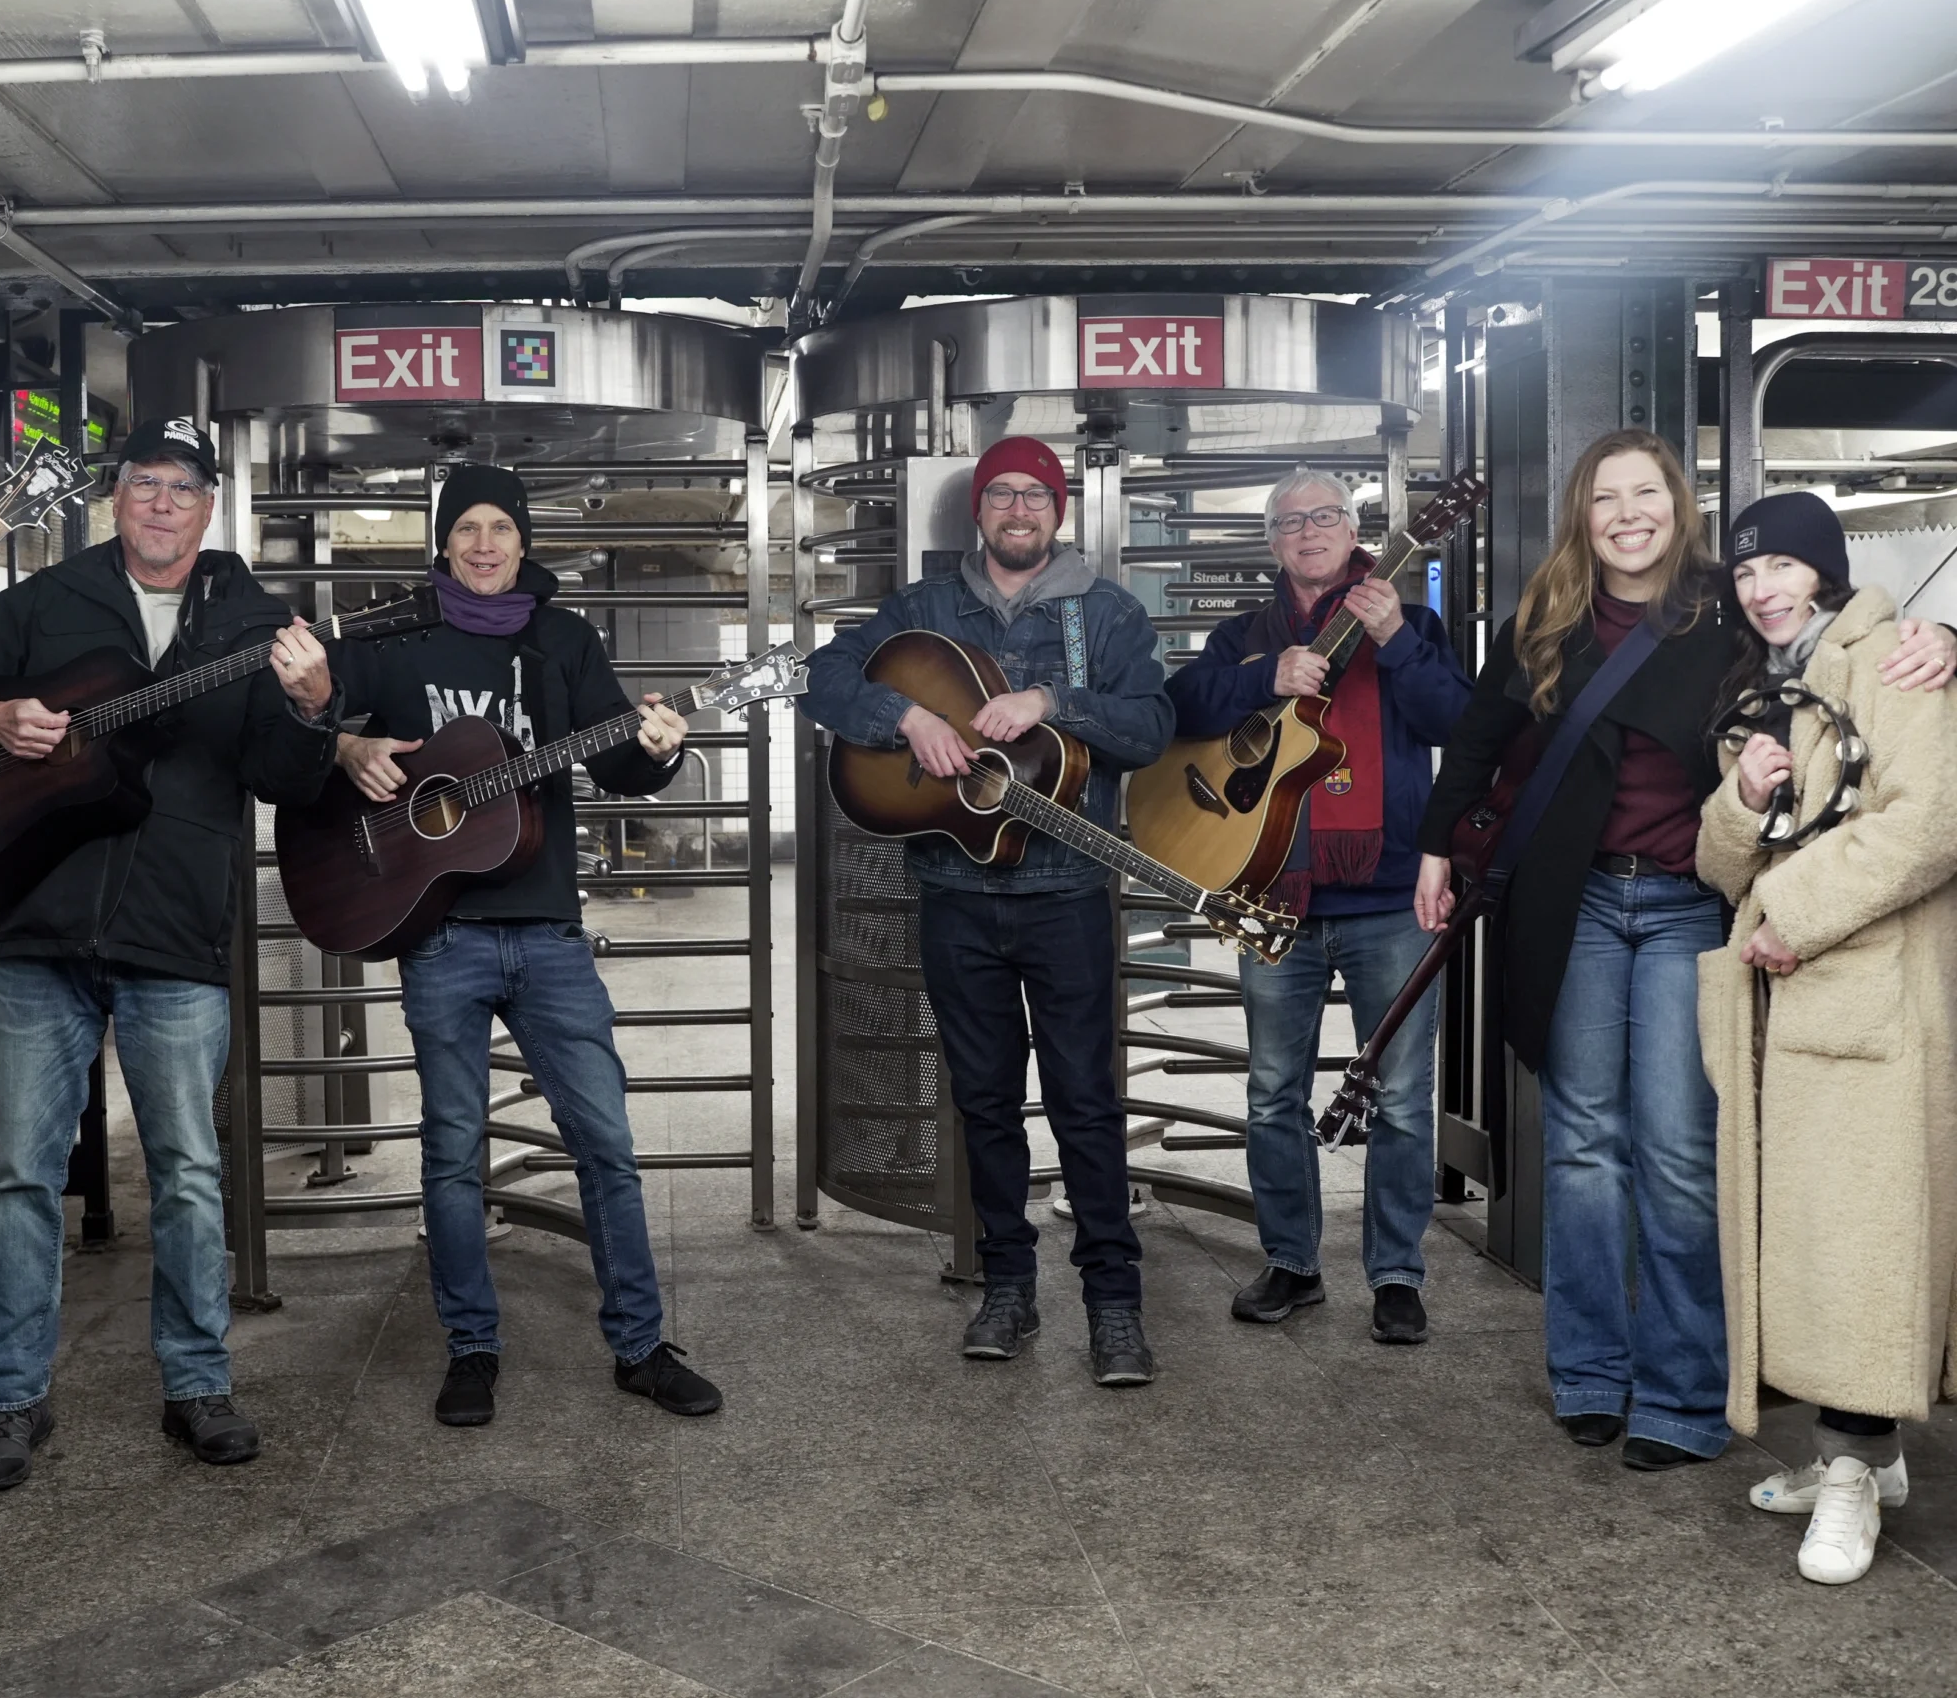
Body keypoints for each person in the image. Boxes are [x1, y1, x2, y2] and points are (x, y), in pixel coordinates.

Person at [1415, 430, 1956, 1474]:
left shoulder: (1730, 608)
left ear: (1678, 505)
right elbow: (1479, 740)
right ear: (1582, 512)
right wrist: (1435, 846)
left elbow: (1844, 652)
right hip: (1567, 902)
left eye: (1646, 493)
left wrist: (1948, 638)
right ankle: (1586, 1372)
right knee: (1576, 1144)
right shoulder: (1541, 616)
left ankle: (1678, 1392)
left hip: (1682, 907)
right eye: (1605, 496)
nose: (1627, 513)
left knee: (1673, 1150)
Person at [0, 418, 340, 1492]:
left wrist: (314, 703)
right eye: (143, 482)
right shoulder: (48, 602)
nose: (160, 503)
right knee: (21, 1177)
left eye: (182, 488)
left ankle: (196, 1384)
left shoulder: (250, 618)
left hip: (176, 934)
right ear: (116, 497)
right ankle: (9, 1398)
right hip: (42, 924)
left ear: (208, 505)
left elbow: (286, 777)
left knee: (189, 1173)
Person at [326, 463, 721, 1427]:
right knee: (452, 1152)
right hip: (439, 932)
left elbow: (619, 761)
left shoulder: (561, 640)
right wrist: (344, 748)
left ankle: (639, 1345)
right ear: (443, 541)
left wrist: (659, 747)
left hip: (548, 933)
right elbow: (298, 727)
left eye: (502, 525)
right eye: (468, 526)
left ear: (525, 540)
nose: (486, 542)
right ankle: (470, 1349)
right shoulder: (398, 634)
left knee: (607, 1146)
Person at [800, 437, 1175, 1385]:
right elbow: (824, 677)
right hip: (955, 895)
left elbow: (1151, 726)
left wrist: (1054, 699)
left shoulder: (1108, 612)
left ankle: (1114, 1304)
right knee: (985, 1103)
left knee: (1087, 1104)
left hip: (1067, 896)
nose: (1018, 510)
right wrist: (905, 719)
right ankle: (1007, 1286)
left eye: (1035, 496)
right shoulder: (923, 610)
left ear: (1060, 510)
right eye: (1002, 493)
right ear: (980, 509)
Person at [1692, 491, 1957, 1585]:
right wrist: (1744, 798)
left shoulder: (1896, 654)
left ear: (1825, 570)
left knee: (1861, 1240)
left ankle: (1849, 1474)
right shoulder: (1766, 687)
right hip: (1790, 1009)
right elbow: (1719, 866)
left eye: (1783, 567)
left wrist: (1792, 914)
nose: (1761, 588)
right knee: (1811, 1235)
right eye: (1746, 572)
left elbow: (1931, 819)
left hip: (1871, 1000)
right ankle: (1861, 1454)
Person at [1167, 469, 1471, 1344]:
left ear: (1354, 528)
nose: (1309, 531)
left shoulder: (1410, 622)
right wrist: (1264, 678)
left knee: (1406, 1099)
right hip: (1276, 896)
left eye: (1326, 516)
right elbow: (1177, 709)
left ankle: (1397, 1273)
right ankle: (1293, 1262)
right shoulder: (1245, 636)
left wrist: (1397, 643)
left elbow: (1458, 720)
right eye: (1291, 521)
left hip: (1390, 894)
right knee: (1271, 1092)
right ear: (1272, 542)